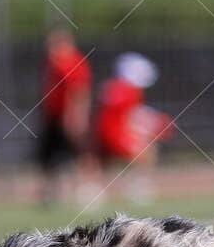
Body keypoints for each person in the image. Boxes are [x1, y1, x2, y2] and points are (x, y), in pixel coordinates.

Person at [35, 27, 92, 204]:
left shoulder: (73, 63)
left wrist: (75, 118)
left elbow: (79, 92)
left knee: (78, 153)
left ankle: (86, 188)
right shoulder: (52, 63)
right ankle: (52, 193)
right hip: (53, 117)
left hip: (68, 118)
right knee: (49, 155)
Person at [93, 52, 174, 173]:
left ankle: (92, 184)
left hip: (100, 133)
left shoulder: (109, 87)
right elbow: (130, 118)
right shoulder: (130, 91)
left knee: (99, 159)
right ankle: (138, 183)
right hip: (115, 135)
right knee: (148, 150)